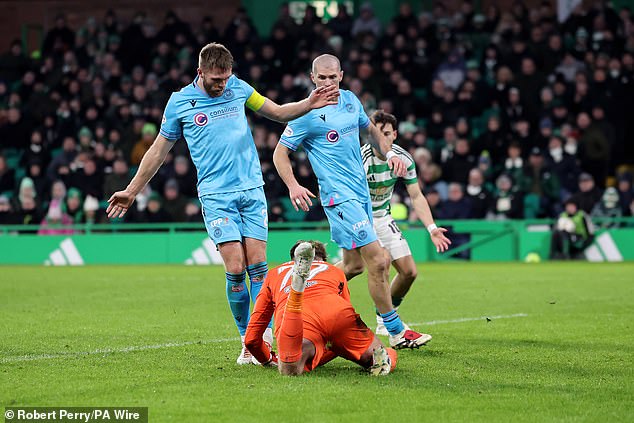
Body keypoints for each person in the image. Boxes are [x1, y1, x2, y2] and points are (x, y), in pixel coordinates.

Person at [107, 42, 339, 364]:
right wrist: (132, 191)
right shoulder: (179, 103)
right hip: (216, 196)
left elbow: (277, 112)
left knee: (259, 268)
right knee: (235, 268)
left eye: (225, 78)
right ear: (200, 72)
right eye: (216, 79)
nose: (222, 84)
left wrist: (308, 103)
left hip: (252, 190)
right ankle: (246, 339)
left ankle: (262, 341)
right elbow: (158, 151)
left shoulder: (239, 88)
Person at [273, 54, 430, 349]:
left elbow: (370, 131)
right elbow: (279, 153)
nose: (329, 83)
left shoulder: (350, 100)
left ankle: (301, 287)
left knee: (354, 266)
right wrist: (293, 186)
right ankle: (395, 330)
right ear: (312, 78)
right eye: (322, 78)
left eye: (333, 77)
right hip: (339, 197)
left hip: (361, 196)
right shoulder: (306, 114)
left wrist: (391, 153)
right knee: (380, 260)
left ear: (342, 75)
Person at [357, 110, 450, 335]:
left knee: (409, 272)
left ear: (395, 134)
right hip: (360, 217)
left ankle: (382, 319)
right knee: (370, 265)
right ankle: (317, 287)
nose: (383, 138)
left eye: (387, 133)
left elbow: (416, 196)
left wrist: (431, 228)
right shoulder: (360, 158)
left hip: (383, 217)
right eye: (377, 133)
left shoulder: (404, 159)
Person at [245, 241, 397, 376]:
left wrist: (267, 359)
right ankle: (385, 358)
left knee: (290, 369)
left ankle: (296, 292)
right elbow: (346, 309)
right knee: (372, 352)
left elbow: (251, 339)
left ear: (292, 259)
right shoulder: (334, 270)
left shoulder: (273, 274)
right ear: (323, 259)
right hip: (337, 313)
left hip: (299, 321)